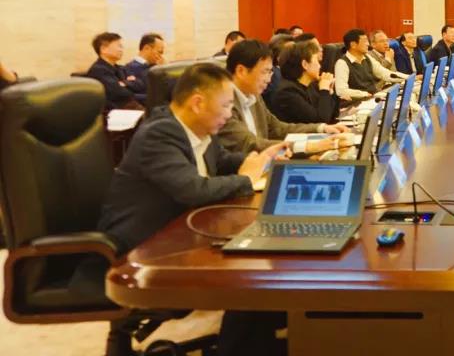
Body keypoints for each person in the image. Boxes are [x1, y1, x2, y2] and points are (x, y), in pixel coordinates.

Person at [96, 62, 290, 356]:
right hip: (143, 248)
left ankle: (257, 338)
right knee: (251, 269)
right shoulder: (159, 134)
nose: (229, 114)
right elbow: (194, 190)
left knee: (264, 253)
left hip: (179, 232)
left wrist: (260, 159)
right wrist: (246, 180)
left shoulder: (198, 130)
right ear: (198, 103)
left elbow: (222, 160)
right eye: (225, 106)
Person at [217, 40, 347, 157]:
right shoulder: (223, 104)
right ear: (241, 71)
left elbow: (277, 128)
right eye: (265, 72)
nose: (269, 79)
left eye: (270, 72)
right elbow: (250, 144)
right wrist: (307, 146)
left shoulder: (253, 96)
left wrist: (321, 128)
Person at [271, 40, 337, 124]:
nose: (320, 66)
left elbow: (333, 115)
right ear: (305, 64)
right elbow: (320, 121)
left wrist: (329, 91)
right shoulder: (287, 92)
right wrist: (324, 90)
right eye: (317, 61)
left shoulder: (311, 86)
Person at [86, 32, 142, 111]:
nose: (121, 50)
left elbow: (140, 85)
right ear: (103, 49)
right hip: (112, 112)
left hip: (128, 107)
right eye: (119, 46)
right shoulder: (98, 70)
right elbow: (121, 93)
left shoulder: (120, 68)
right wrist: (129, 83)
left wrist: (124, 83)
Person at [334, 29, 379, 102]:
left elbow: (384, 73)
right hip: (357, 103)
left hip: (373, 98)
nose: (368, 44)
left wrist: (401, 78)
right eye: (365, 41)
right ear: (353, 45)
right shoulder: (342, 63)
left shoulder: (367, 57)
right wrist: (364, 94)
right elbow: (341, 90)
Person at [124, 33, 165, 102]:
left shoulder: (156, 66)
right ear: (147, 48)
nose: (161, 56)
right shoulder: (129, 68)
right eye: (159, 52)